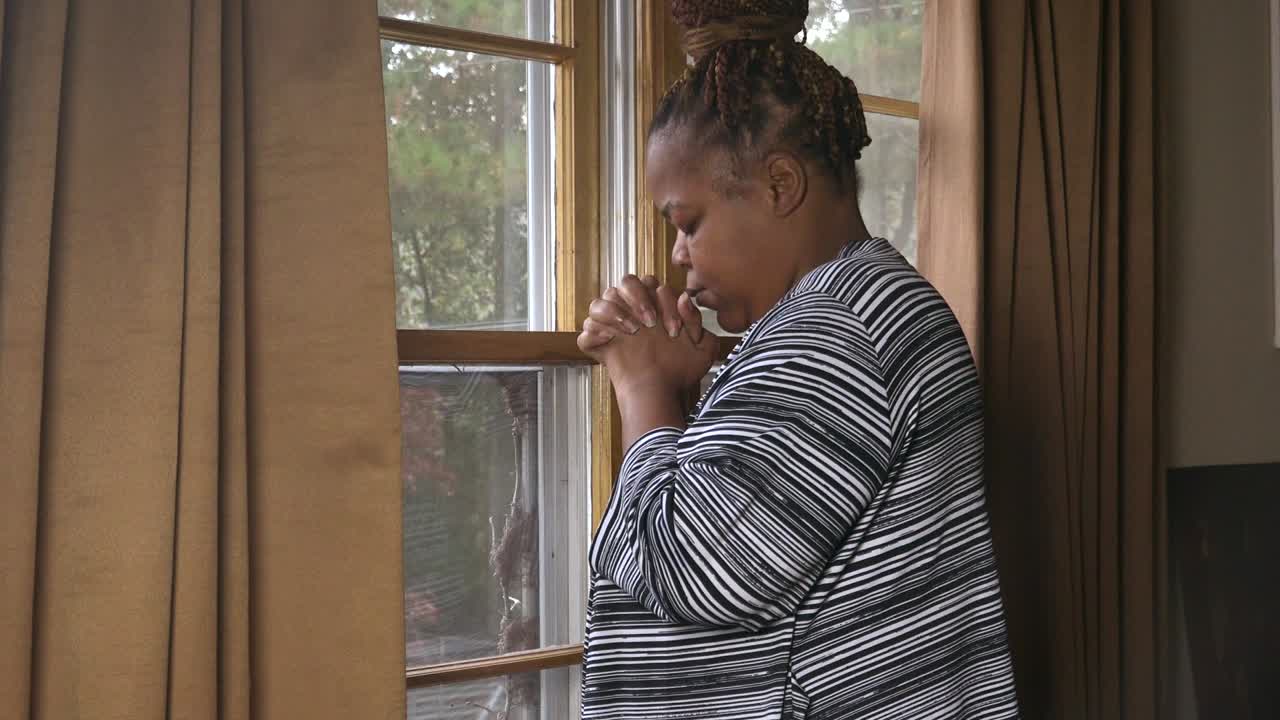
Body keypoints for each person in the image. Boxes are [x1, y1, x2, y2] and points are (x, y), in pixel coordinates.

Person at [576, 1, 1020, 717]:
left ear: (781, 185)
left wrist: (645, 386)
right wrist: (698, 391)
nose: (678, 254)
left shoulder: (837, 329)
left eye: (688, 223)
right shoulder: (863, 308)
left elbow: (698, 571)